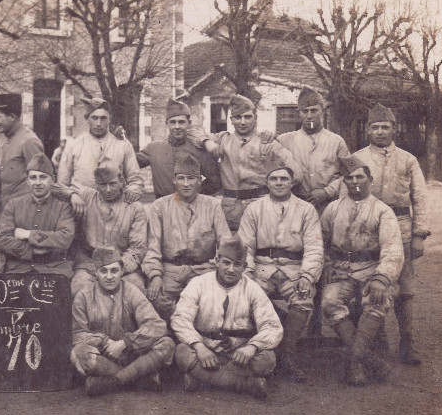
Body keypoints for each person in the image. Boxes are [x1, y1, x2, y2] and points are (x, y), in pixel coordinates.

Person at [348, 103, 431, 365]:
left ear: (394, 129)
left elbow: (420, 197)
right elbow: (348, 196)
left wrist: (419, 234)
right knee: (371, 282)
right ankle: (377, 341)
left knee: (405, 288)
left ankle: (408, 343)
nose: (380, 131)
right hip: (369, 228)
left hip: (402, 225)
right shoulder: (358, 158)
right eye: (375, 127)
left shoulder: (408, 159)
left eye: (385, 127)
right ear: (368, 130)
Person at [321, 156, 404, 386]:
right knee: (329, 302)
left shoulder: (382, 211)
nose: (355, 181)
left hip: (371, 270)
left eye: (360, 177)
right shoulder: (333, 208)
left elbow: (393, 249)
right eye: (349, 178)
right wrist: (327, 263)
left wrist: (381, 277)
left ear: (370, 179)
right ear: (343, 182)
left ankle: (354, 360)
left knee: (377, 300)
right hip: (341, 270)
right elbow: (321, 241)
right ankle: (368, 358)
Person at [236, 166, 323, 381]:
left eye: (284, 179)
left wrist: (307, 276)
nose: (279, 182)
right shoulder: (254, 208)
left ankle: (287, 353)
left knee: (303, 298)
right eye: (273, 178)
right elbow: (244, 244)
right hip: (261, 266)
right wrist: (246, 274)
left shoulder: (306, 209)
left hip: (293, 267)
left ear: (292, 182)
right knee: (249, 297)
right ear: (267, 183)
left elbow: (314, 247)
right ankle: (267, 349)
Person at [171, 236, 283, 399]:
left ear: (244, 267)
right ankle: (245, 384)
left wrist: (251, 347)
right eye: (226, 262)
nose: (231, 269)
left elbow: (272, 326)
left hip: (239, 354)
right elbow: (180, 318)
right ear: (217, 261)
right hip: (206, 350)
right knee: (182, 352)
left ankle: (202, 378)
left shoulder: (253, 289)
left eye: (237, 265)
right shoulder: (198, 283)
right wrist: (199, 347)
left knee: (267, 360)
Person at [70, 247, 175, 397]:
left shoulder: (131, 291)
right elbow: (78, 334)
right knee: (79, 352)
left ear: (122, 271)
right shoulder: (84, 296)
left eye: (114, 271)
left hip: (132, 353)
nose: (109, 276)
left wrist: (126, 342)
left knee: (167, 344)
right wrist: (105, 341)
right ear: (96, 273)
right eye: (103, 271)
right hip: (104, 357)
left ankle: (112, 382)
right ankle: (139, 379)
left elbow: (157, 325)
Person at [141, 154, 231, 318]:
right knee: (157, 301)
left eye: (191, 178)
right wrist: (155, 275)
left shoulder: (212, 206)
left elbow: (225, 243)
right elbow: (152, 247)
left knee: (208, 305)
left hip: (203, 269)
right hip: (170, 270)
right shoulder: (160, 206)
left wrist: (218, 272)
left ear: (199, 180)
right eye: (181, 178)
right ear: (174, 180)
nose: (186, 183)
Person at [194, 93, 297, 231]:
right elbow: (193, 132)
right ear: (231, 120)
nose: (243, 122)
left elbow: (296, 175)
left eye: (247, 117)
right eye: (238, 117)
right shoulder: (223, 139)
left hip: (261, 207)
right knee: (231, 248)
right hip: (230, 210)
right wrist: (208, 143)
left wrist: (274, 194)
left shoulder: (267, 142)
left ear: (255, 118)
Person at [65, 163, 147, 296]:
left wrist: (116, 268)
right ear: (96, 185)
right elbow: (56, 188)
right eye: (103, 185)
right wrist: (72, 195)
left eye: (113, 184)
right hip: (89, 264)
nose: (108, 190)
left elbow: (138, 248)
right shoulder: (86, 196)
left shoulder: (135, 207)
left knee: (135, 288)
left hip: (123, 265)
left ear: (122, 181)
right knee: (77, 287)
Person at [56, 97, 143, 219]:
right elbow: (61, 184)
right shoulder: (73, 145)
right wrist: (72, 195)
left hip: (114, 213)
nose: (98, 123)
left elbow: (136, 180)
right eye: (94, 118)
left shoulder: (123, 145)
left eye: (103, 118)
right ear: (87, 118)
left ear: (109, 120)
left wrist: (132, 190)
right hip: (81, 211)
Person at [0, 152, 75, 276]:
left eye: (43, 177)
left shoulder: (63, 206)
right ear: (27, 181)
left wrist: (28, 235)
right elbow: (2, 239)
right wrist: (31, 251)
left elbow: (65, 238)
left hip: (54, 268)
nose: (37, 182)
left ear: (53, 180)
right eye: (33, 178)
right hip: (19, 268)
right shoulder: (13, 204)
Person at [275, 87, 350, 213]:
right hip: (293, 207)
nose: (309, 116)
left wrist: (327, 192)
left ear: (323, 112)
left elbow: (350, 174)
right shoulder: (284, 141)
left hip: (327, 207)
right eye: (305, 111)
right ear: (299, 113)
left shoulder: (337, 142)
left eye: (314, 111)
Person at [136, 97, 221, 198]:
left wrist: (195, 193)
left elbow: (215, 181)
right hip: (162, 209)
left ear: (188, 123)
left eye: (181, 122)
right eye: (173, 122)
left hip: (191, 208)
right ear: (166, 123)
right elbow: (128, 165)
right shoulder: (153, 148)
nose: (177, 126)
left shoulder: (198, 149)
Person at [0, 93, 45, 211]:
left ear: (12, 117)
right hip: (9, 209)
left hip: (24, 210)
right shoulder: (10, 140)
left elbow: (42, 180)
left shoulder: (29, 141)